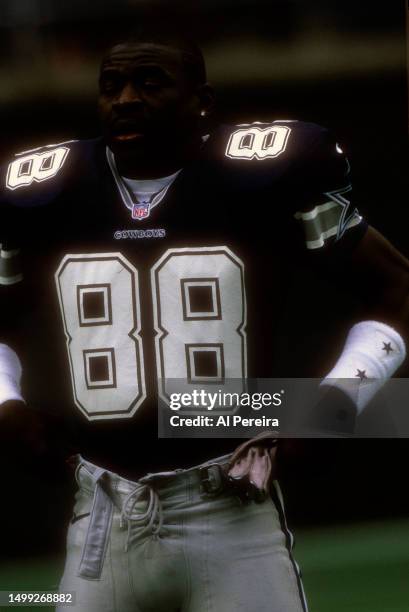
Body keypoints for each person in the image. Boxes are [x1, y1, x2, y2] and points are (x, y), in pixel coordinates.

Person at [0, 30, 407, 612]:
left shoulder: (263, 172)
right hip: (100, 511)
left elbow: (396, 290)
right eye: (110, 86)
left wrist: (338, 403)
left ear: (203, 101)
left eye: (150, 83)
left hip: (228, 504)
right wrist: (6, 404)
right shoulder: (45, 188)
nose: (126, 100)